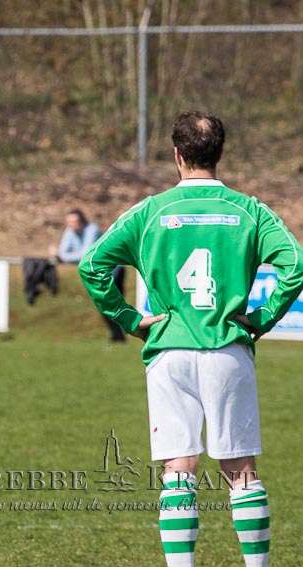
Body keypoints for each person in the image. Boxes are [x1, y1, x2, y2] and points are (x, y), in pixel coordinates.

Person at [79, 111, 303, 567]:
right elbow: (295, 264)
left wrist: (128, 319)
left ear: (177, 154)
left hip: (170, 351)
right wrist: (262, 318)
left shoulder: (150, 211)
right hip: (227, 348)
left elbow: (92, 265)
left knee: (178, 472)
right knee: (241, 473)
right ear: (220, 152)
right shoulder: (250, 210)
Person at [53, 209, 125, 341]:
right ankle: (118, 337)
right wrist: (63, 255)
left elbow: (85, 254)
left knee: (115, 304)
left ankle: (122, 335)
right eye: (69, 222)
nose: (72, 225)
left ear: (82, 221)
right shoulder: (69, 231)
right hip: (97, 274)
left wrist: (63, 256)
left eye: (74, 222)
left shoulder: (92, 230)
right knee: (103, 305)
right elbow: (63, 251)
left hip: (113, 271)